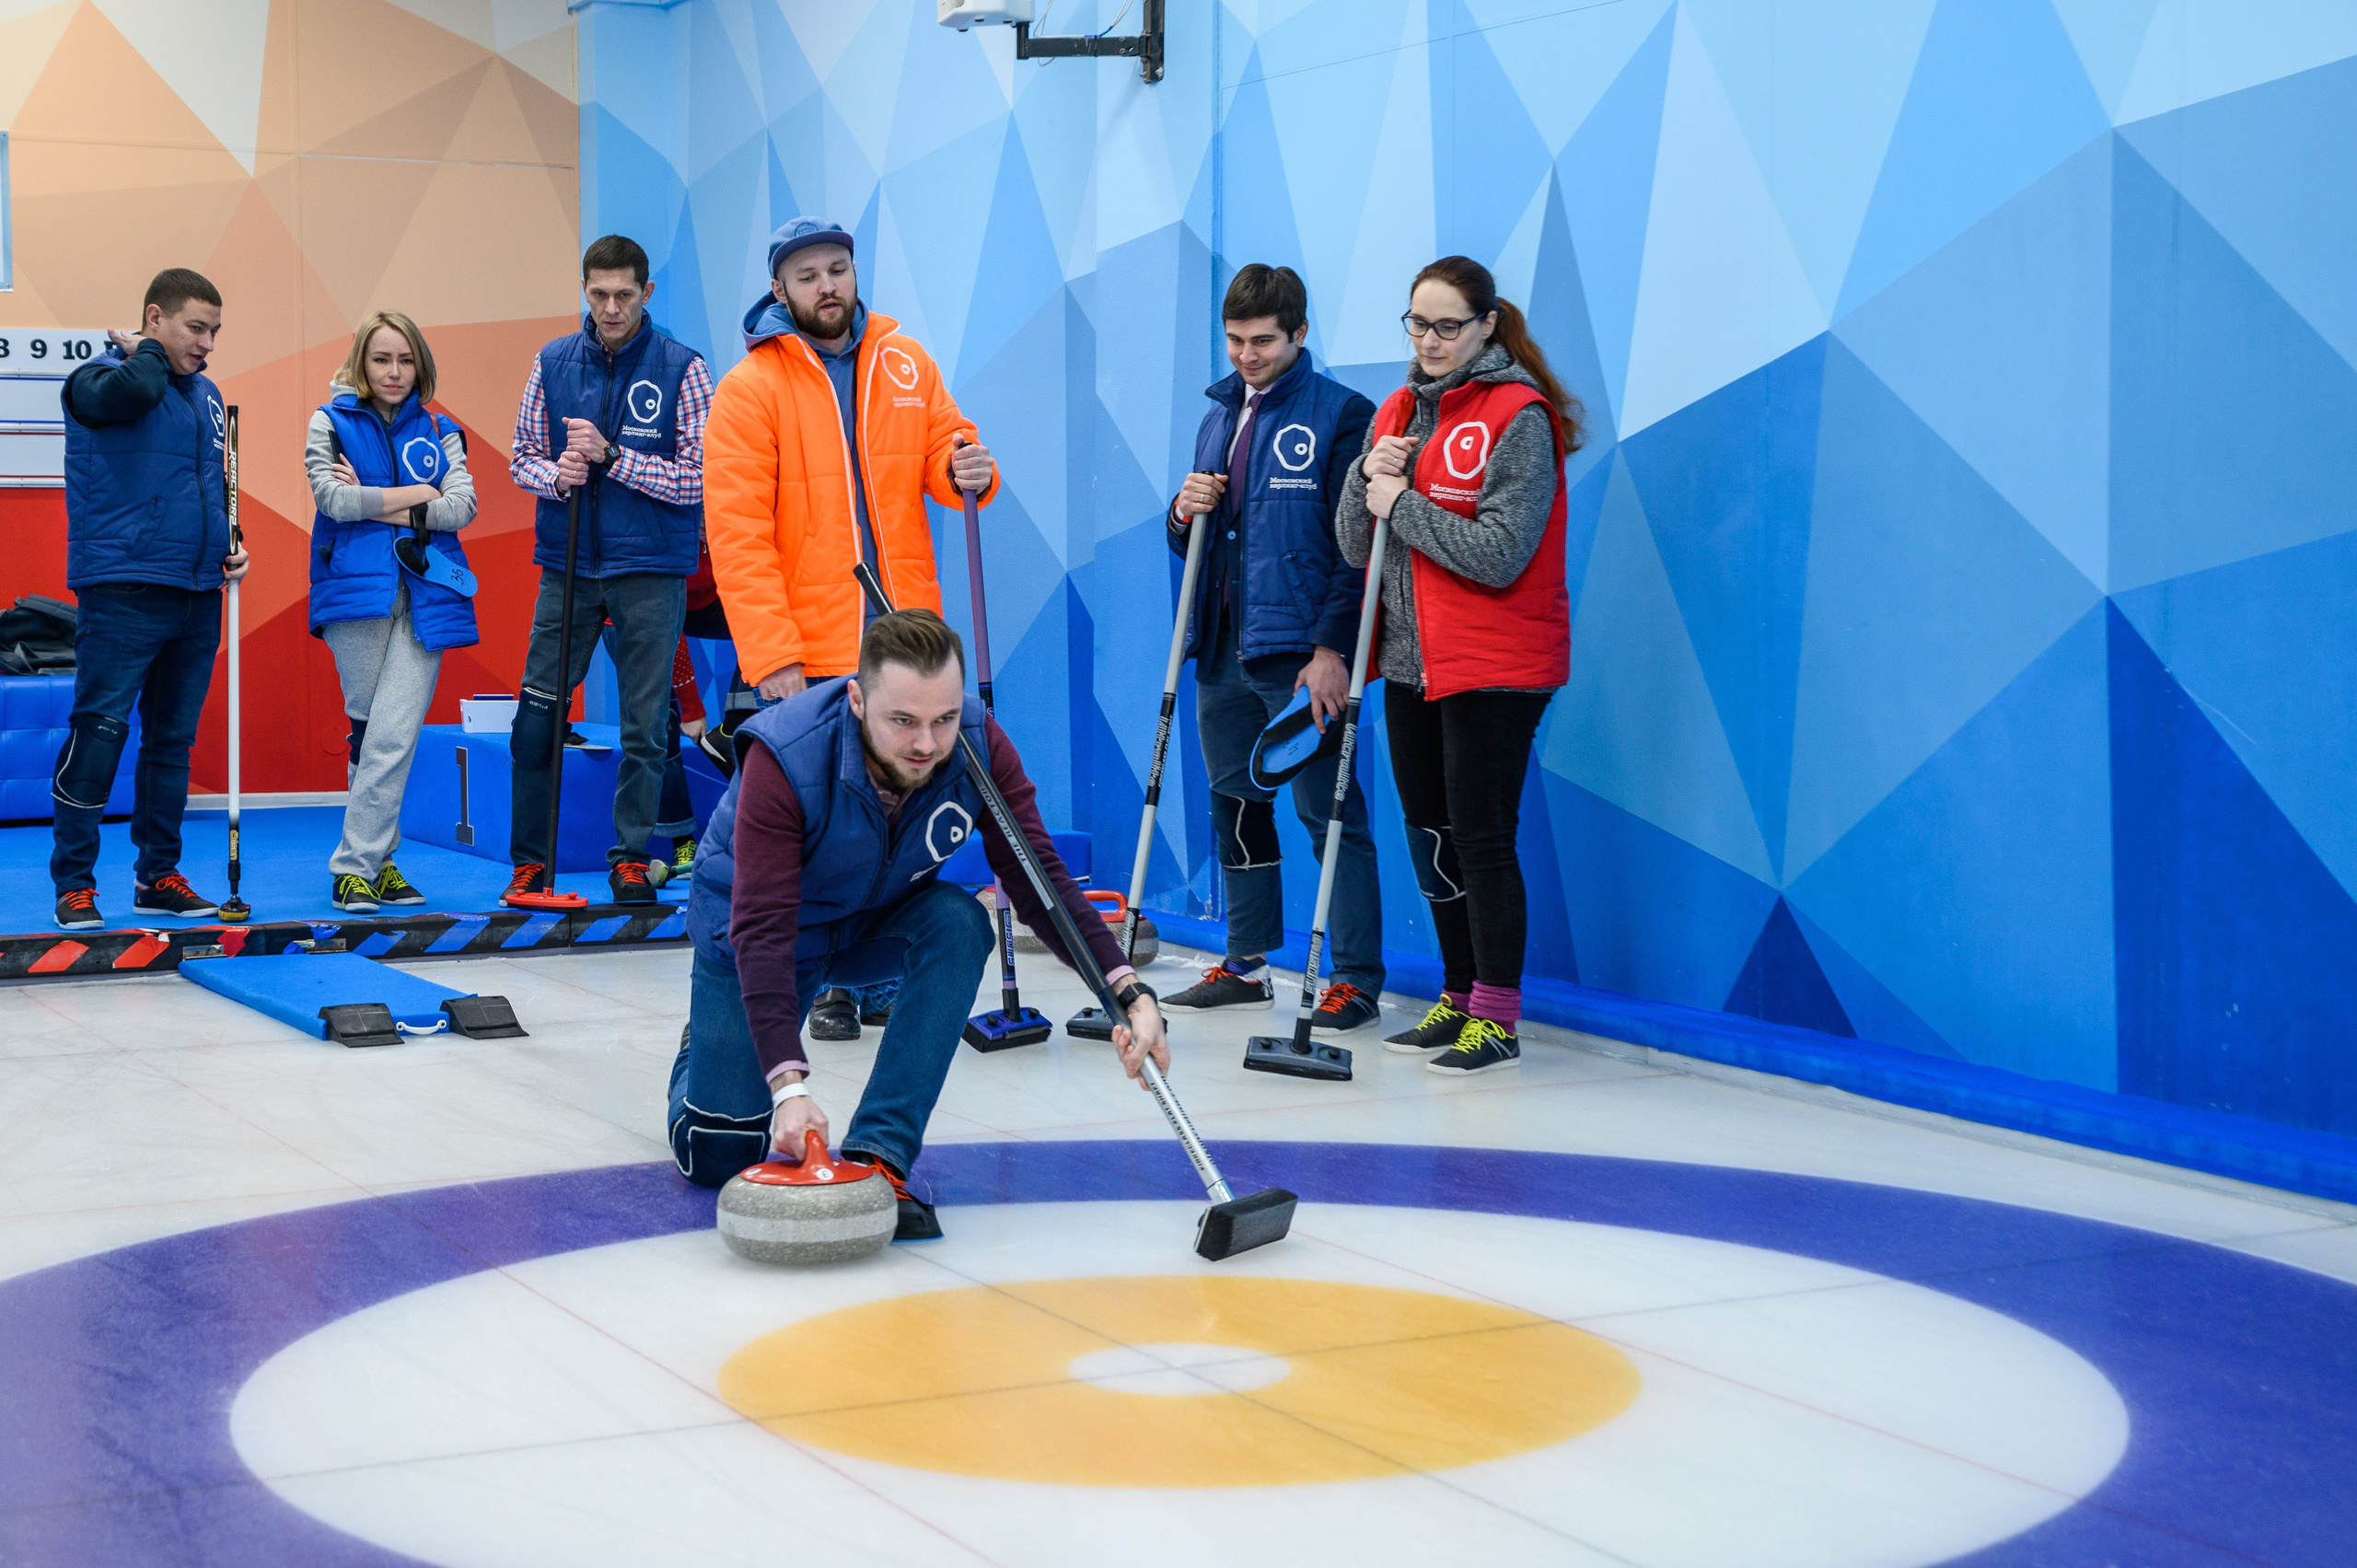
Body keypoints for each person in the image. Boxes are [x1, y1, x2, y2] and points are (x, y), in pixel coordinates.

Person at [668, 610, 1167, 1237]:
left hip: (870, 921)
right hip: (758, 936)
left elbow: (1039, 877)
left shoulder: (979, 746)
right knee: (718, 1154)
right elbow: (761, 927)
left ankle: (881, 1153)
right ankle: (704, 1046)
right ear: (857, 698)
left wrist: (1126, 991)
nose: (928, 744)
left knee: (960, 924)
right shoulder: (786, 754)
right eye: (902, 720)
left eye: (944, 718)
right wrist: (788, 1084)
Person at [1336, 256, 1580, 1074]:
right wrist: (1364, 480)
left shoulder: (1520, 416)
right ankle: (1458, 992)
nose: (1430, 340)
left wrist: (1402, 503)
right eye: (1417, 323)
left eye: (1447, 326)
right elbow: (1353, 543)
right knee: (1429, 831)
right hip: (1410, 660)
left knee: (1480, 835)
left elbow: (1502, 553)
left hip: (1496, 663)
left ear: (1485, 327)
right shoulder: (1399, 410)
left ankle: (1499, 1014)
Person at [1155, 263, 1383, 1030]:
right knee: (1236, 807)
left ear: (1299, 335)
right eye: (1234, 340)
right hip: (1220, 647)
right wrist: (1183, 514)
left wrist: (1332, 649)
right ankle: (1248, 961)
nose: (1246, 356)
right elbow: (1195, 539)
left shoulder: (1344, 416)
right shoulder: (1218, 417)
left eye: (1262, 341)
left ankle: (1352, 976)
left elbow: (1357, 552)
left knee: (1330, 815)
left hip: (1299, 656)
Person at [702, 216, 997, 707]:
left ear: (854, 271)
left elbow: (947, 451)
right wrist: (773, 654)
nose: (827, 287)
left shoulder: (906, 362)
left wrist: (966, 470)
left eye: (838, 270)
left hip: (910, 640)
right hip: (814, 658)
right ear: (779, 290)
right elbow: (738, 535)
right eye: (808, 277)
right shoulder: (747, 389)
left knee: (915, 781)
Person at [505, 235, 713, 906]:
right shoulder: (553, 361)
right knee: (537, 714)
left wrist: (614, 456)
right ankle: (531, 865)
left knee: (645, 725)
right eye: (599, 295)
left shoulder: (685, 367)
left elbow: (699, 480)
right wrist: (555, 475)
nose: (611, 308)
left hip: (650, 568)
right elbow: (520, 457)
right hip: (568, 565)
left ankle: (630, 857)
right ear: (585, 291)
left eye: (625, 295)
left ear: (647, 294)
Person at [49, 268, 250, 931]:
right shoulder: (99, 380)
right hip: (123, 588)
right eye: (195, 328)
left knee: (171, 742)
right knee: (100, 732)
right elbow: (136, 389)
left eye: (215, 331)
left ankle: (156, 875)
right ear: (154, 317)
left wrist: (231, 542)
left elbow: (210, 484)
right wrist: (146, 353)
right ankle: (75, 883)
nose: (207, 344)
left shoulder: (208, 396)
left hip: (197, 591)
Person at [305, 310, 478, 912]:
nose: (395, 371)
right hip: (356, 595)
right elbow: (333, 499)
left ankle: (351, 866)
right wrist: (418, 497)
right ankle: (380, 860)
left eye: (406, 359)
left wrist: (372, 504)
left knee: (393, 734)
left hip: (428, 598)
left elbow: (462, 507)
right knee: (368, 731)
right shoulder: (328, 422)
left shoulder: (441, 429)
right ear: (361, 362)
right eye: (382, 358)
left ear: (421, 364)